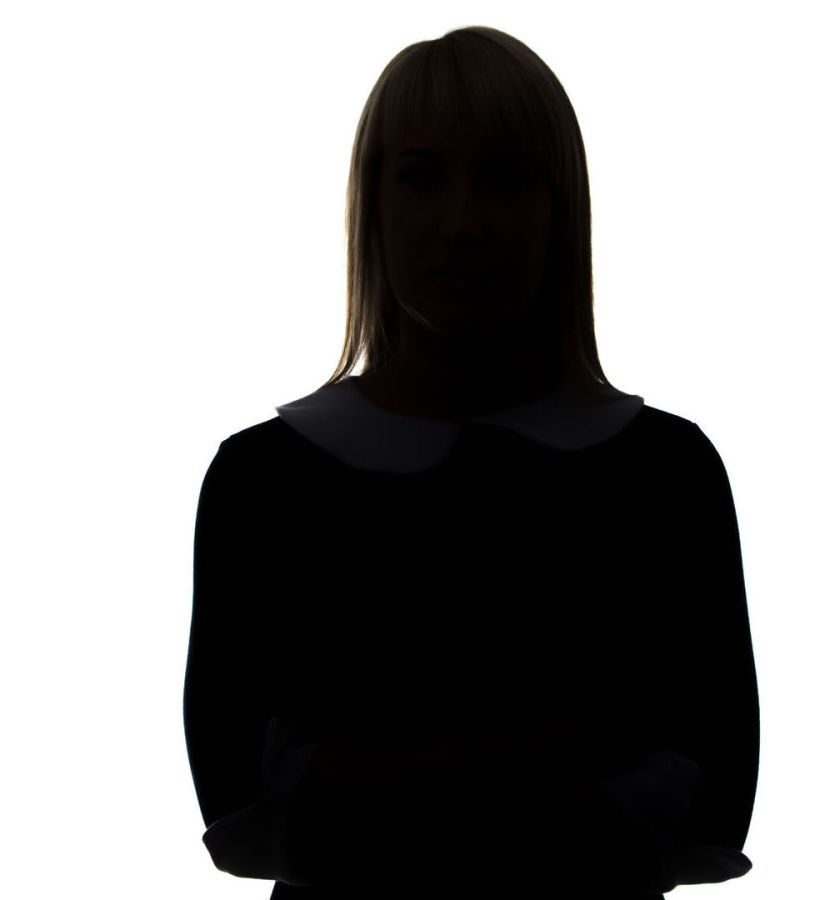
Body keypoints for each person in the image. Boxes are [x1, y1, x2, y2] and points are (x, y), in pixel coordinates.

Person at [183, 25, 759, 899]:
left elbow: (714, 812)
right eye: (422, 177)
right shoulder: (263, 480)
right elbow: (242, 817)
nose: (462, 223)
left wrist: (363, 775)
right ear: (373, 202)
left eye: (506, 178)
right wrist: (583, 748)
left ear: (559, 208)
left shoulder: (668, 472)